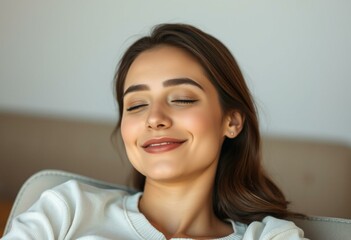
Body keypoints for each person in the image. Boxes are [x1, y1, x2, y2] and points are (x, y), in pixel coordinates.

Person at [2, 23, 306, 239]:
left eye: (182, 99)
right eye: (135, 105)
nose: (154, 118)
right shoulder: (67, 208)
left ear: (232, 122)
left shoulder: (272, 237)